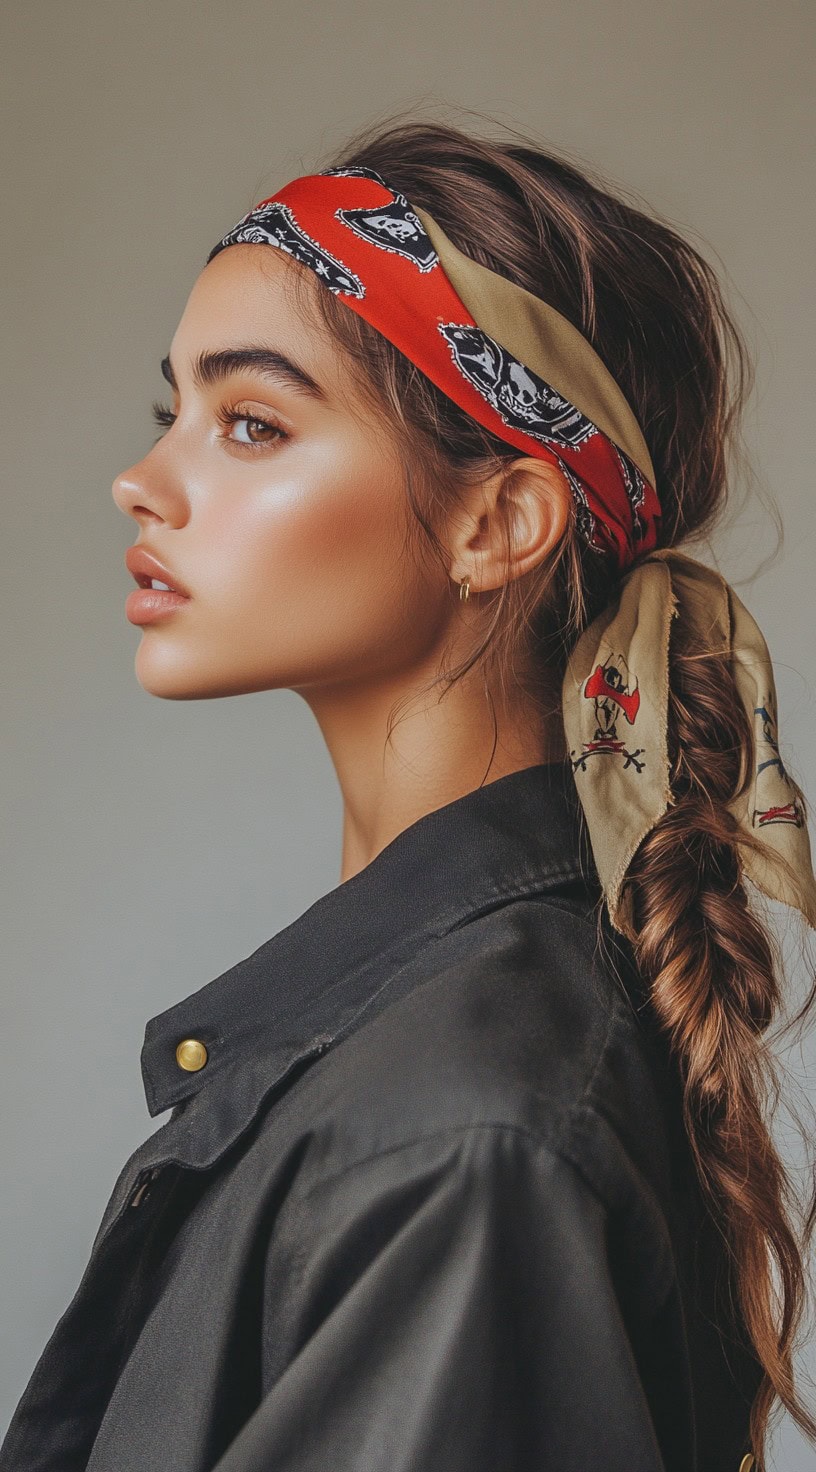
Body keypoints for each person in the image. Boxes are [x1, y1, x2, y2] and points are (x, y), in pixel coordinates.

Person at [2, 117, 815, 1472]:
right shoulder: (424, 1058)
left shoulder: (458, 1135)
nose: (144, 483)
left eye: (250, 423)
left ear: (495, 523)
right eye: (175, 414)